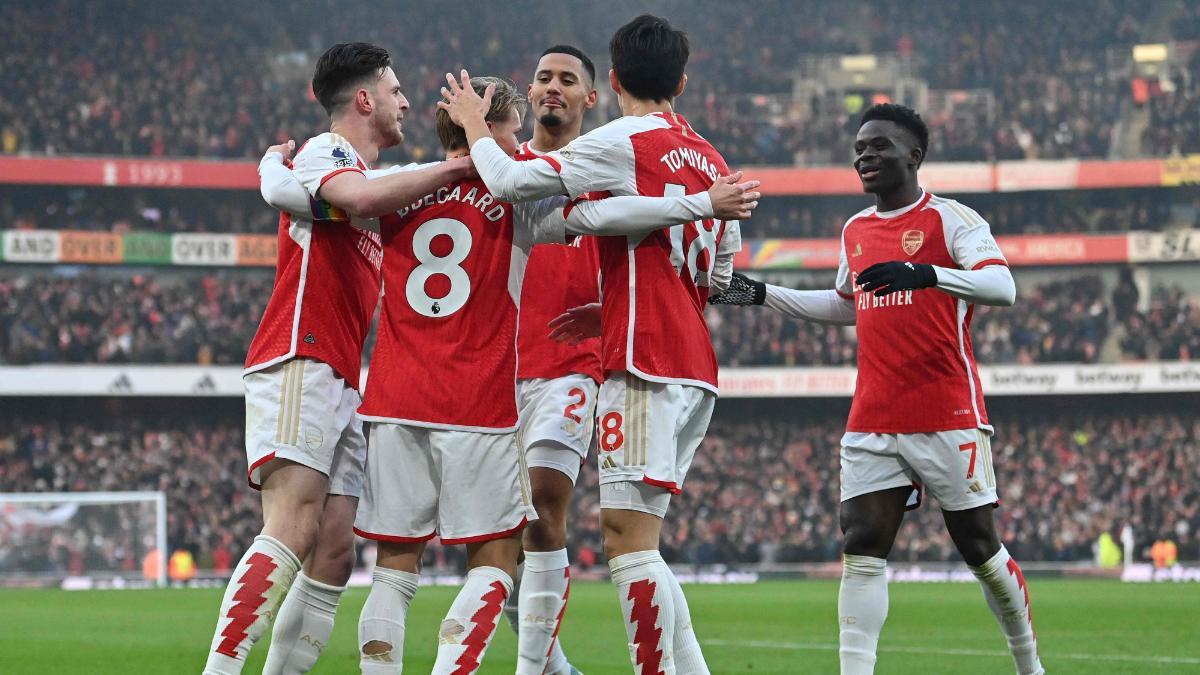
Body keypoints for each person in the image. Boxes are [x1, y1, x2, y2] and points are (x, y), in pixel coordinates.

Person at [261, 75, 756, 674]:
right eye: (514, 132)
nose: (521, 144)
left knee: (394, 568)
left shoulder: (393, 190)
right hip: (480, 402)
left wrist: (270, 167)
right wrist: (699, 205)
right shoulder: (514, 203)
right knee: (496, 560)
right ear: (488, 131)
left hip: (392, 399)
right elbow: (607, 216)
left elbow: (305, 197)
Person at [439, 15, 747, 674]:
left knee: (627, 545)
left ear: (606, 84)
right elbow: (718, 274)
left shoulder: (620, 143)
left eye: (568, 78)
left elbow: (516, 185)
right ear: (683, 81)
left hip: (640, 361)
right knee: (643, 542)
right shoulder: (712, 161)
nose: (554, 88)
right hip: (690, 362)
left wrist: (472, 128)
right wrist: (620, 289)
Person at [708, 103, 1042, 675]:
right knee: (861, 543)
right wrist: (761, 293)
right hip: (872, 417)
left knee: (979, 548)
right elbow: (846, 305)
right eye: (860, 147)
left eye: (880, 146)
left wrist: (929, 273)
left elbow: (1001, 286)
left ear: (914, 156)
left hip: (947, 412)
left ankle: (1029, 665)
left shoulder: (953, 220)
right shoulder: (855, 229)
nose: (866, 155)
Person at [202, 42, 474, 675]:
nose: (406, 101)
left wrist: (272, 175)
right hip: (303, 353)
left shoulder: (367, 177)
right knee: (292, 526)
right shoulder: (330, 151)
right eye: (396, 89)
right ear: (363, 99)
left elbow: (352, 196)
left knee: (333, 549)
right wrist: (457, 168)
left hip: (345, 374)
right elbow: (356, 197)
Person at [507, 45, 601, 675]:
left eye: (568, 80)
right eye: (542, 77)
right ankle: (554, 666)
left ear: (589, 98)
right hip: (499, 370)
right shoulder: (502, 169)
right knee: (499, 540)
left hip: (572, 365)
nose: (552, 88)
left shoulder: (609, 166)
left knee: (544, 507)